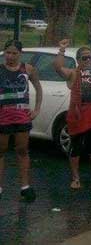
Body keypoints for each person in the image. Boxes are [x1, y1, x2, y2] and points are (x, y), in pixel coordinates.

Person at [54, 39, 91, 189]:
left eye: (90, 57)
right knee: (76, 146)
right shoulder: (73, 73)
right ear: (78, 60)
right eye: (84, 57)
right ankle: (76, 177)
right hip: (77, 115)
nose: (88, 60)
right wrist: (62, 50)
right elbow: (58, 68)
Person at [0, 40, 42, 201]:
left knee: (22, 150)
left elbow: (38, 88)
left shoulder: (28, 69)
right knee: (1, 151)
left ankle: (25, 186)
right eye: (7, 52)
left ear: (20, 54)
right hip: (3, 117)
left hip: (21, 117)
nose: (10, 56)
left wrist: (37, 109)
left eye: (14, 53)